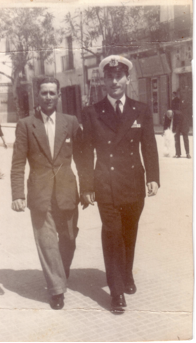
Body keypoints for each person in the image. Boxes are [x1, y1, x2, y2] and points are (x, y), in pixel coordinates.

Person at [80, 55, 160, 314]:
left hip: (134, 184)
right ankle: (116, 292)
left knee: (129, 233)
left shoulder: (141, 109)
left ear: (127, 79)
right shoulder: (92, 112)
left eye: (119, 77)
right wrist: (87, 186)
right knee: (113, 235)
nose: (114, 81)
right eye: (109, 77)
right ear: (103, 80)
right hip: (106, 185)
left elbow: (149, 145)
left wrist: (153, 178)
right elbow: (84, 152)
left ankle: (126, 274)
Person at [11, 76, 82, 310]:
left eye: (53, 93)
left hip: (67, 191)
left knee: (69, 239)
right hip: (40, 193)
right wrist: (17, 194)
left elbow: (82, 158)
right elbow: (18, 163)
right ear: (37, 96)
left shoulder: (71, 122)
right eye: (44, 93)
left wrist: (89, 188)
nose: (48, 97)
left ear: (59, 96)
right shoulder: (25, 124)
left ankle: (61, 272)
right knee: (47, 242)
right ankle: (56, 289)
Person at [171, 90, 191, 159]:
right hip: (180, 122)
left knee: (182, 137)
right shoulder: (176, 102)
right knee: (179, 137)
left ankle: (184, 153)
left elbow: (189, 112)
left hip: (181, 122)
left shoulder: (184, 101)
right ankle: (181, 153)